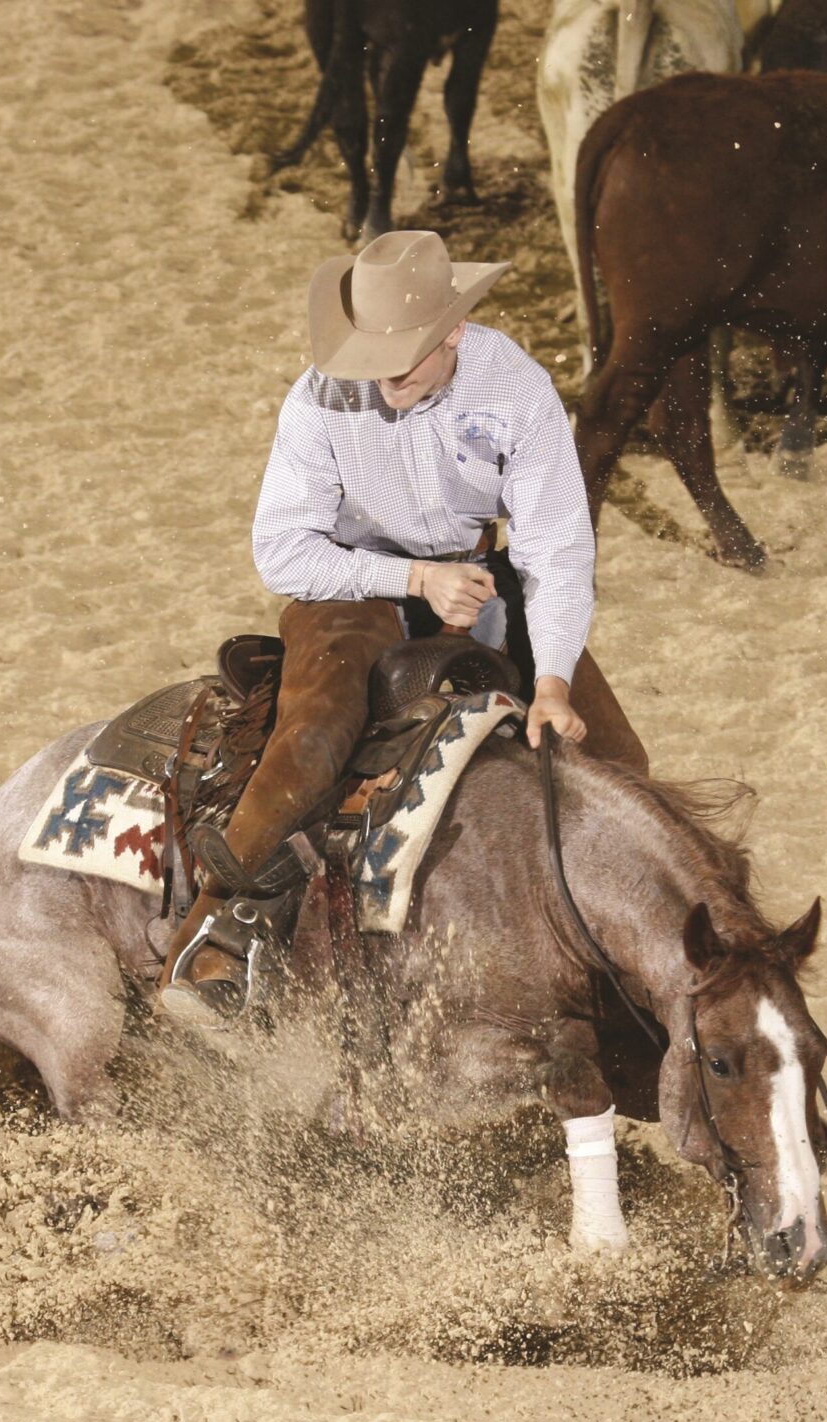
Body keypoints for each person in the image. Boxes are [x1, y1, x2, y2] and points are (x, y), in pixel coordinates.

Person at [159, 230, 649, 1026]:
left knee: (621, 759)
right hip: (353, 582)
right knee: (317, 730)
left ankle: (623, 963)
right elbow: (283, 550)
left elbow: (556, 552)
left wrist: (554, 680)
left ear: (455, 330)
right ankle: (215, 931)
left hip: (478, 571)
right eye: (373, 355)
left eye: (405, 356)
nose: (385, 375)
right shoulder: (319, 397)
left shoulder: (517, 391)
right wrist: (415, 579)